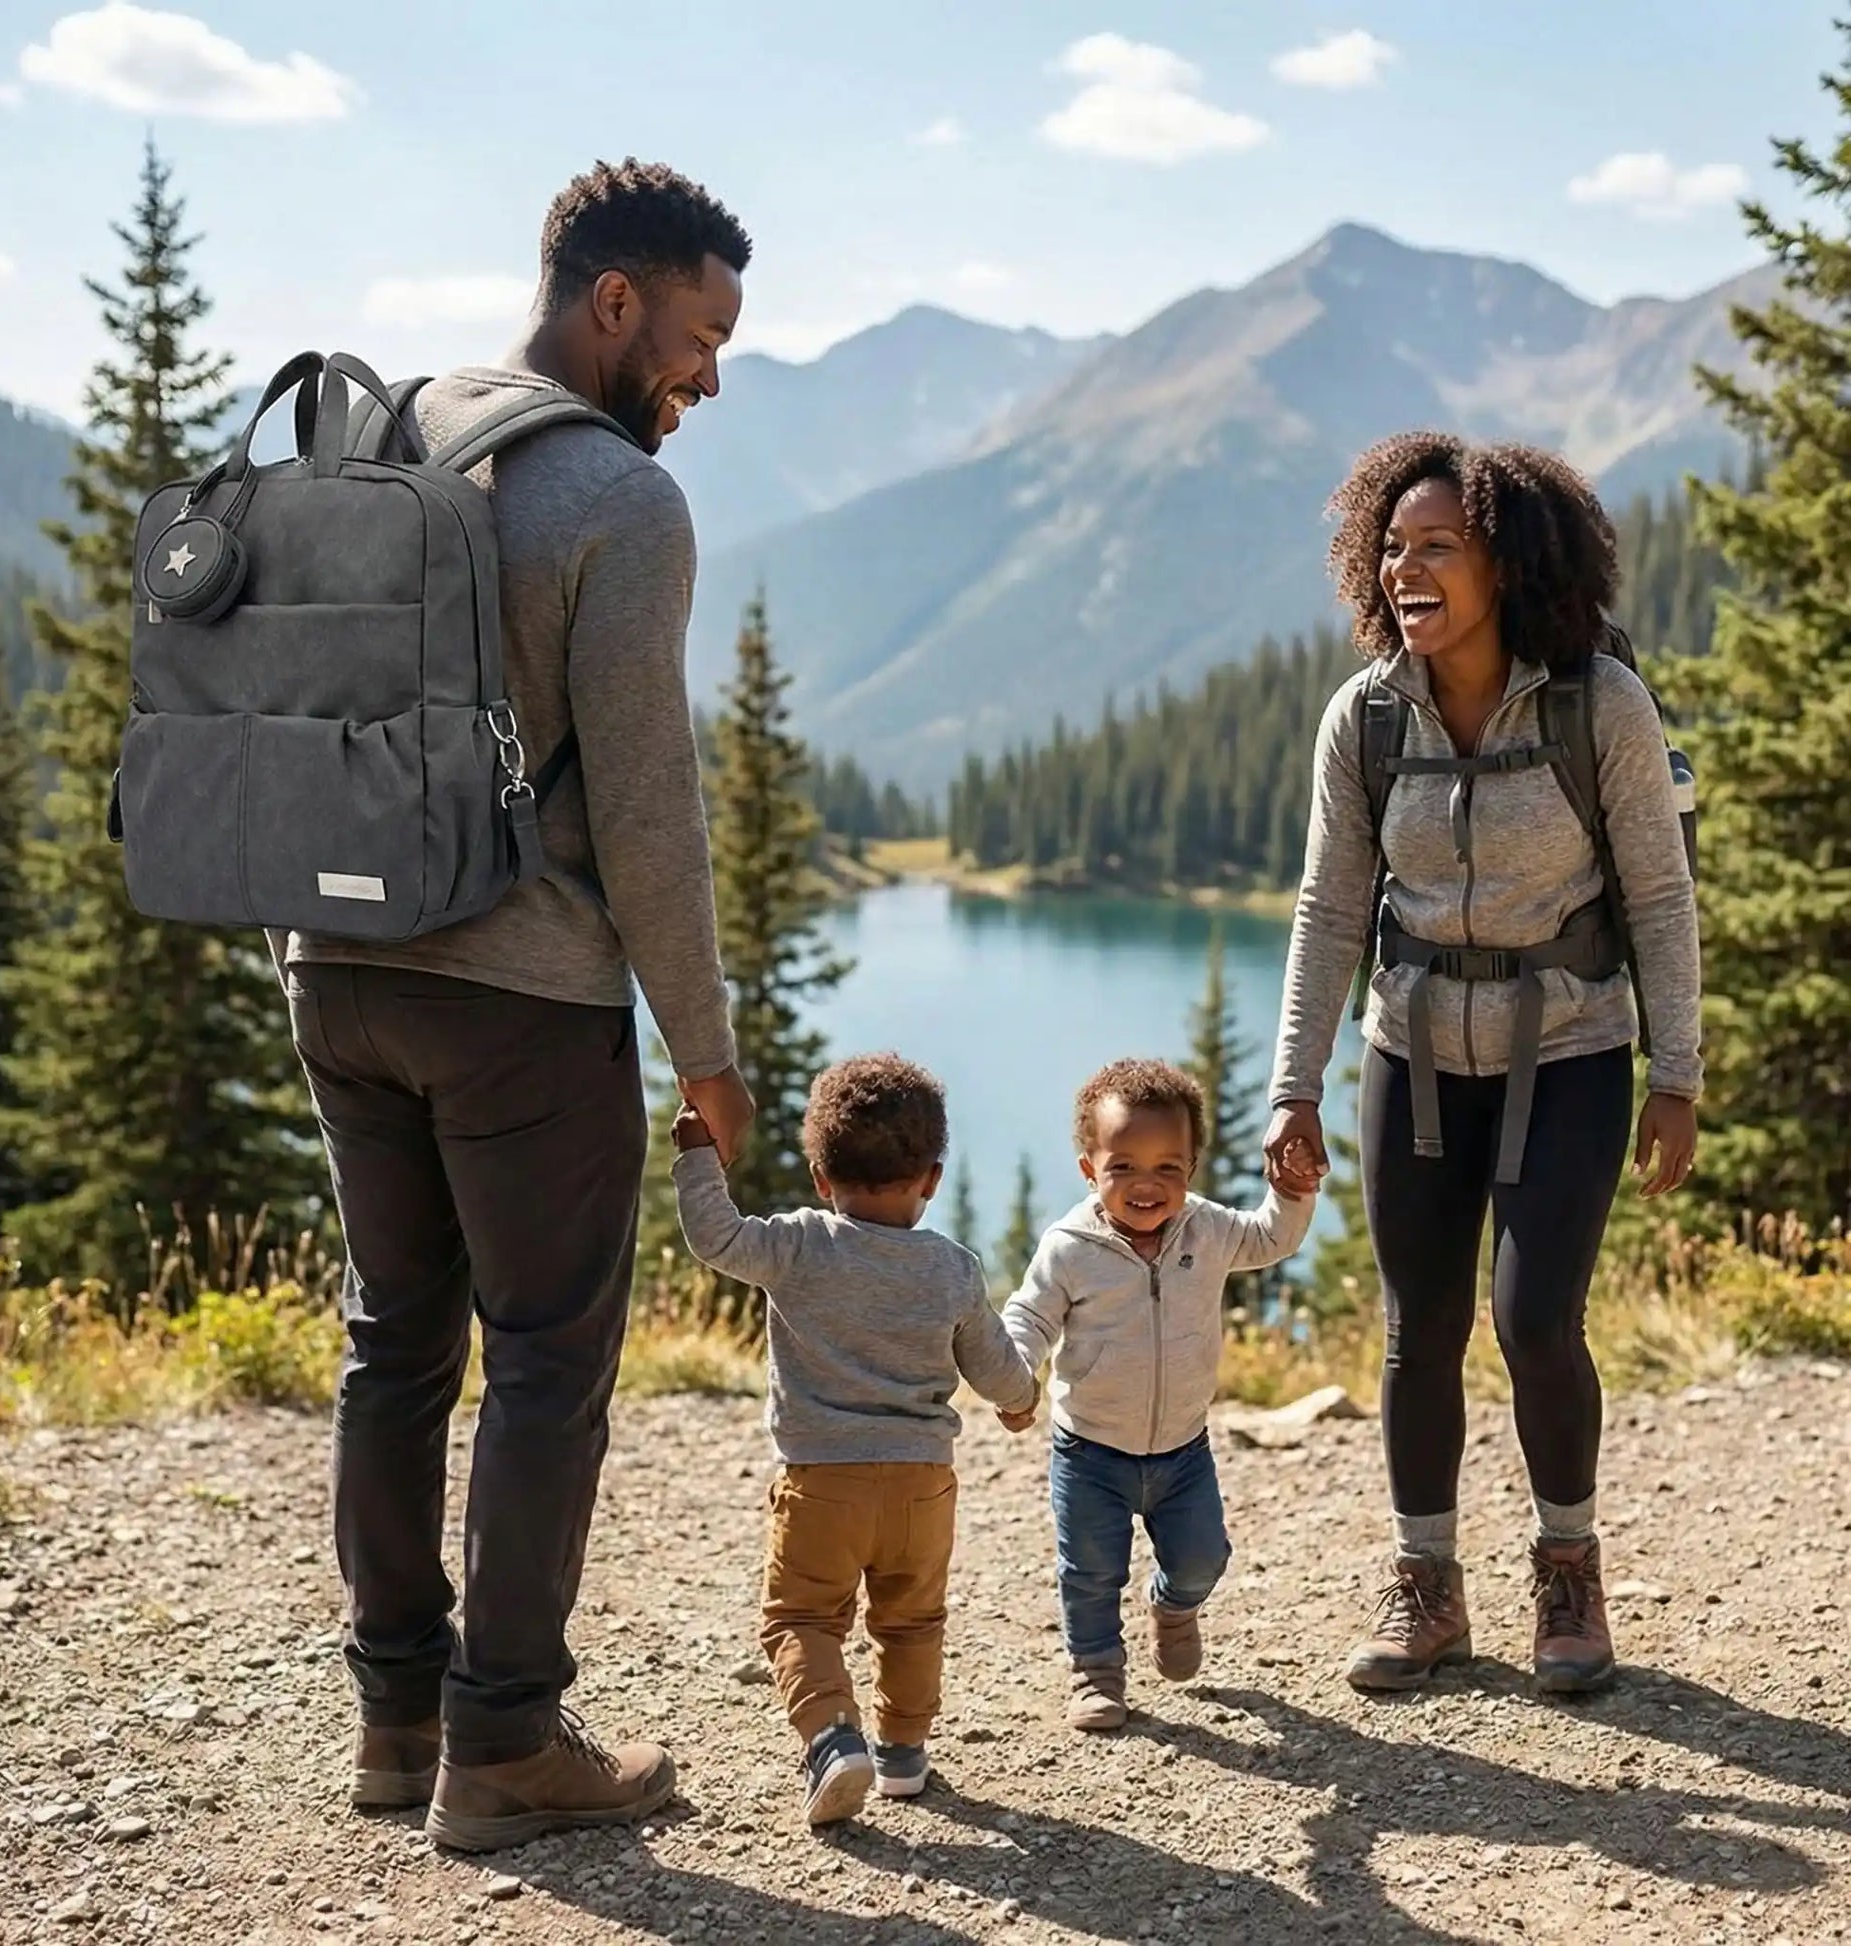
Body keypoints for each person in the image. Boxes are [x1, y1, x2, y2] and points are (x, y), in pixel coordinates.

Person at [277, 159, 757, 1854]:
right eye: (698, 337)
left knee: (395, 1337)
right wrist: (706, 1051)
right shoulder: (618, 500)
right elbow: (645, 808)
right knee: (546, 1363)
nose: (705, 378)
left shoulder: (390, 429)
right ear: (609, 302)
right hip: (518, 995)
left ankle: (394, 1720)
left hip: (336, 970)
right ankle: (506, 1746)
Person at [1263, 433, 1701, 1698]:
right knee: (1417, 1330)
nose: (1407, 567)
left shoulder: (1592, 703)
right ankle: (1426, 1587)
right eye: (1391, 547)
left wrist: (1673, 1071)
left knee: (1532, 1319)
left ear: (1503, 561)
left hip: (1565, 1051)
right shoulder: (1365, 716)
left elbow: (1659, 900)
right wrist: (1293, 1083)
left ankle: (1566, 1569)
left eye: (1437, 545)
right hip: (1409, 1049)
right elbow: (1327, 910)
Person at [670, 1054, 1039, 1827]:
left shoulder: (799, 1245)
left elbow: (714, 1237)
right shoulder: (952, 1267)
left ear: (818, 1176)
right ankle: (904, 1755)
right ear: (931, 1179)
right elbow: (995, 1365)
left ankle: (835, 1739)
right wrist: (1020, 1402)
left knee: (800, 1621)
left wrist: (700, 1158)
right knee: (910, 1620)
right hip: (921, 1488)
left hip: (822, 1485)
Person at [1001, 1059, 1318, 1732]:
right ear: (1090, 1169)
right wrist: (1014, 1374)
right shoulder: (1069, 1248)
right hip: (1089, 1452)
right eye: (1123, 1168)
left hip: (1183, 1449)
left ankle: (1174, 1607)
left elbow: (1272, 1237)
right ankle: (1095, 1674)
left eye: (1167, 1169)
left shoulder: (1206, 1231)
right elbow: (1027, 1317)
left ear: (1192, 1168)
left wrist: (1294, 1192)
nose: (1146, 1186)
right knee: (1088, 1572)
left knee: (1205, 1557)